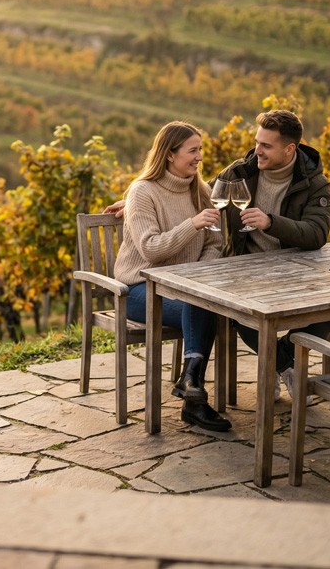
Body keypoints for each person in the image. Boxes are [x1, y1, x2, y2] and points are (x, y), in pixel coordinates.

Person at [106, 110, 330, 400]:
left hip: (294, 270)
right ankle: (196, 387)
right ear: (170, 154)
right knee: (224, 307)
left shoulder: (314, 183)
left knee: (325, 313)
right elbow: (200, 200)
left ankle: (276, 362)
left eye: (266, 145)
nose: (256, 151)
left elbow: (316, 233)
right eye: (257, 142)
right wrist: (136, 199)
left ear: (290, 149)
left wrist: (271, 222)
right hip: (154, 284)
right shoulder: (242, 171)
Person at [110, 121, 231, 432]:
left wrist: (196, 273)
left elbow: (216, 243)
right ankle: (194, 398)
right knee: (202, 304)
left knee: (203, 300)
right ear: (170, 155)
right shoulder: (142, 192)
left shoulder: (201, 190)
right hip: (140, 289)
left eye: (200, 150)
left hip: (184, 288)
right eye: (193, 151)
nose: (199, 157)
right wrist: (191, 224)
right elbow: (150, 249)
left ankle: (191, 385)